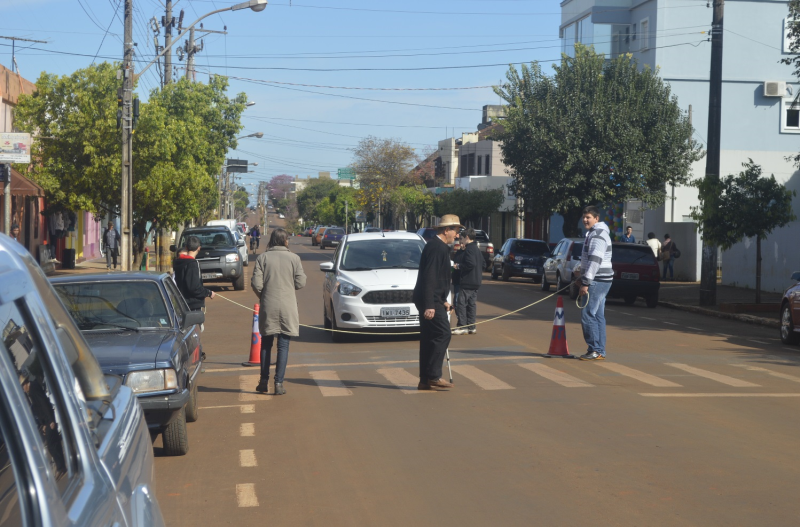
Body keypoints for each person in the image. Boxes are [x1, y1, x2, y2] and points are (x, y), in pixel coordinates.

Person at [251, 228, 306, 396]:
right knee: (283, 345)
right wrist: (289, 287)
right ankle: (279, 383)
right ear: (285, 241)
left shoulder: (263, 258)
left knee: (266, 344)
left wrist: (264, 295)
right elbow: (301, 282)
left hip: (268, 304)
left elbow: (256, 283)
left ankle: (263, 381)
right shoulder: (294, 258)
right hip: (288, 306)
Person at [413, 214, 461, 390]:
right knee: (443, 334)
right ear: (446, 230)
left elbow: (438, 279)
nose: (457, 235)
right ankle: (434, 375)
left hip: (433, 299)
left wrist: (443, 301)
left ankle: (425, 380)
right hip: (429, 300)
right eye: (455, 231)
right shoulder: (436, 248)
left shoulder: (439, 247)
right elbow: (429, 277)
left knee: (428, 338)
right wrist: (430, 305)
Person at [577, 206, 613, 361]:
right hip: (600, 279)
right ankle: (599, 350)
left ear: (596, 219)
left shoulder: (598, 235)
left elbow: (595, 260)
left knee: (588, 314)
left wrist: (585, 282)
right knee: (598, 315)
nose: (585, 220)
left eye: (589, 217)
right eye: (584, 217)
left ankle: (595, 349)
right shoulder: (593, 233)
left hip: (598, 280)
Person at [172, 236, 216, 311]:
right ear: (199, 248)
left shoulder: (180, 262)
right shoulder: (192, 264)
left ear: (186, 247)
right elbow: (194, 287)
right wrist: (208, 293)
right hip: (192, 305)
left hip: (182, 302)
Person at [452, 228, 482, 335]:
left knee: (461, 303)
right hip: (476, 281)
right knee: (471, 304)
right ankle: (471, 326)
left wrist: (459, 266)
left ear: (467, 237)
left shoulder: (469, 249)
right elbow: (482, 263)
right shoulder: (476, 249)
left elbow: (471, 263)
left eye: (462, 238)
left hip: (468, 281)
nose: (461, 241)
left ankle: (462, 326)